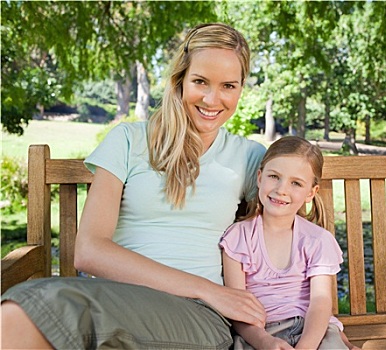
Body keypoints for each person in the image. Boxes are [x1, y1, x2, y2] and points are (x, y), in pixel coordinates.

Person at [1, 23, 268, 349]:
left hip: (197, 315)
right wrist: (207, 287)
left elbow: (292, 243)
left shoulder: (250, 157)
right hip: (118, 298)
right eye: (200, 82)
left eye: (228, 85)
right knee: (22, 308)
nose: (213, 99)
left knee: (25, 311)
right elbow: (89, 250)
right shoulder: (128, 140)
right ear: (180, 80)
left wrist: (319, 324)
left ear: (241, 88)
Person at [220, 136, 360, 349]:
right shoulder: (238, 238)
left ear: (311, 193)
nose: (281, 189)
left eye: (296, 183)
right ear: (259, 178)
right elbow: (237, 307)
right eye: (274, 176)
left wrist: (306, 346)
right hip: (261, 332)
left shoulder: (317, 240)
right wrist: (264, 341)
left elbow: (321, 303)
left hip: (314, 330)